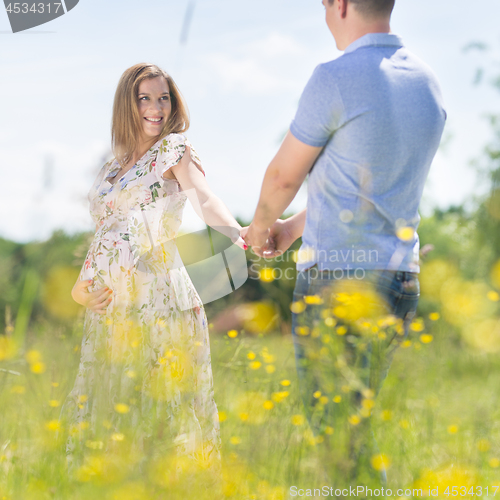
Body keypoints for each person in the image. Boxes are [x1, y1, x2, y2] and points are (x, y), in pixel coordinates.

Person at [243, 0, 446, 487]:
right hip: (401, 281)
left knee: (334, 438)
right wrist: (291, 229)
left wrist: (258, 228)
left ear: (340, 5)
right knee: (357, 428)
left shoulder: (334, 76)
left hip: (339, 283)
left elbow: (282, 173)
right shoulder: (427, 83)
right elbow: (369, 188)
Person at [60, 63, 246, 478]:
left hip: (158, 298)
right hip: (109, 309)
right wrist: (79, 290)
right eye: (145, 98)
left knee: (164, 410)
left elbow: (203, 197)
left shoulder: (175, 149)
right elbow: (105, 236)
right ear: (127, 104)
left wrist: (237, 232)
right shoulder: (112, 167)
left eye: (164, 98)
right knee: (108, 409)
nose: (156, 108)